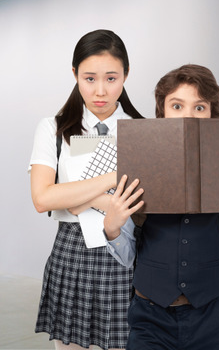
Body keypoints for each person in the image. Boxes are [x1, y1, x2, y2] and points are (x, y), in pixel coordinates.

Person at [103, 64, 219, 350]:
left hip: (210, 316)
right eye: (176, 105)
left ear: (212, 114)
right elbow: (128, 258)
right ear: (162, 113)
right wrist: (111, 230)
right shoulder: (140, 166)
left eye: (199, 107)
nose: (188, 115)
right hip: (149, 315)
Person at [29, 29, 143, 350]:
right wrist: (111, 179)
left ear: (126, 75)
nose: (101, 91)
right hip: (73, 253)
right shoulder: (53, 128)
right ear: (75, 74)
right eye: (90, 78)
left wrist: (79, 197)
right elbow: (42, 199)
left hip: (128, 252)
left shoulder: (144, 131)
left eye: (111, 78)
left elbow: (149, 202)